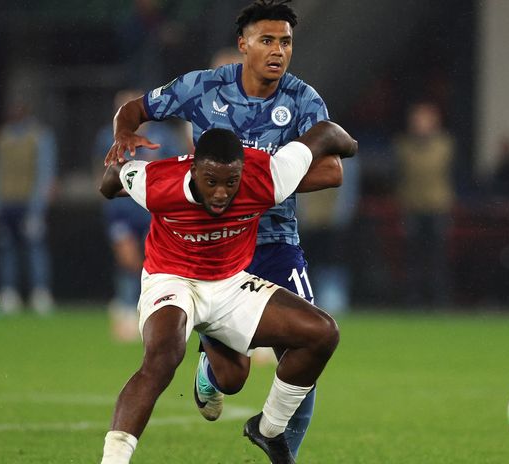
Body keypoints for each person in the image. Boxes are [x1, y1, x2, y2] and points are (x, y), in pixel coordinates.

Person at [104, 1, 342, 456]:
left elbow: (332, 171)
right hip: (209, 251)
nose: (278, 51)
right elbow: (135, 109)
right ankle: (210, 371)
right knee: (233, 379)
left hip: (275, 240)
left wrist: (262, 184)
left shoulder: (303, 99)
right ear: (243, 46)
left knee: (306, 347)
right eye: (267, 40)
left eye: (286, 42)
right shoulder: (202, 87)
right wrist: (122, 135)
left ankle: (280, 446)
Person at [99, 121, 357, 464]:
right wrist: (112, 169)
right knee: (164, 356)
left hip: (229, 283)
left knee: (321, 334)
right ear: (193, 169)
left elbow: (325, 133)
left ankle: (268, 429)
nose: (221, 193)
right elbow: (113, 179)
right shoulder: (158, 182)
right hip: (171, 280)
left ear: (242, 173)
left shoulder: (266, 176)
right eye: (211, 182)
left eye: (230, 182)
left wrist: (352, 145)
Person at [95, 89, 186, 341]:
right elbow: (101, 174)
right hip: (121, 212)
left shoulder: (164, 136)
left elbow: (178, 168)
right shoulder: (107, 138)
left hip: (154, 210)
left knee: (152, 262)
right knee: (127, 261)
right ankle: (124, 310)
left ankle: (148, 310)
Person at [0, 99, 57, 314]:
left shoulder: (39, 136)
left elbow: (45, 171)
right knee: (7, 250)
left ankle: (40, 293)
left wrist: (38, 207)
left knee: (34, 248)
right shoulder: (0, 138)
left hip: (29, 202)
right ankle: (8, 293)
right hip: (6, 202)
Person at [392, 101, 455, 306]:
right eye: (417, 120)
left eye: (425, 120)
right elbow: (399, 177)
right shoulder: (403, 146)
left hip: (437, 207)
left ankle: (439, 300)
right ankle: (414, 299)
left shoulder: (445, 146)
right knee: (413, 258)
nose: (420, 124)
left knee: (437, 257)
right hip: (412, 207)